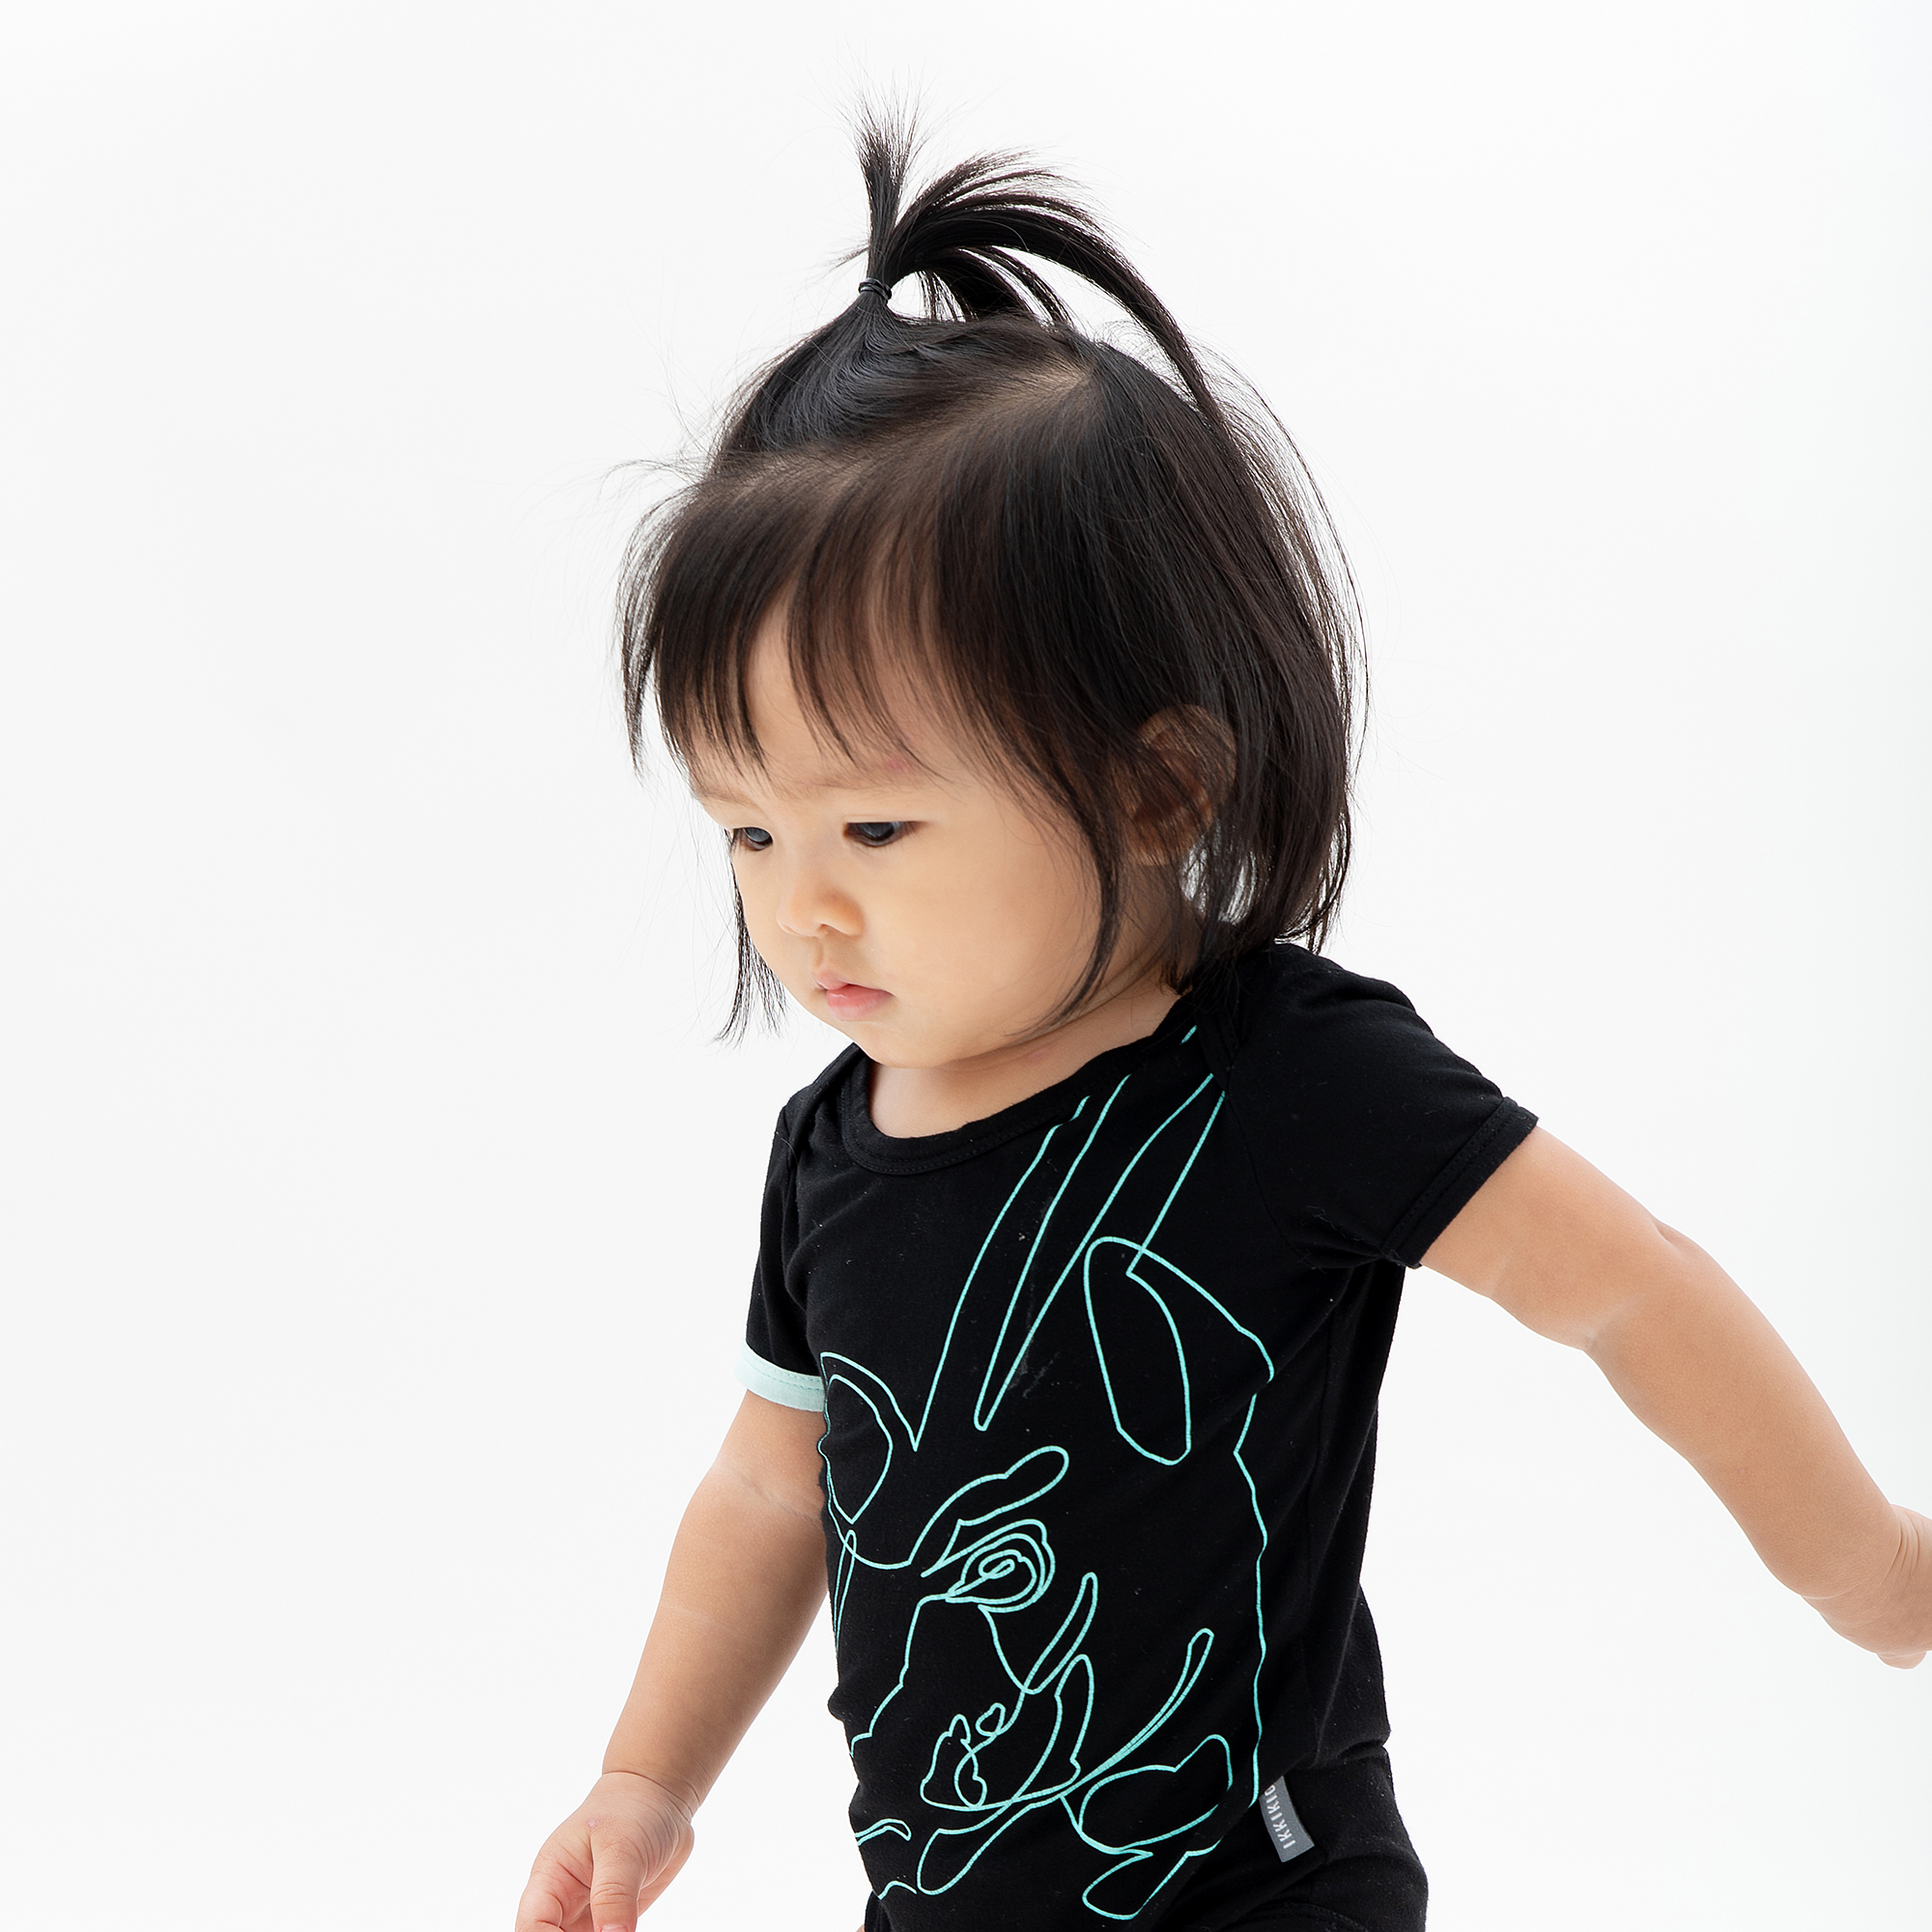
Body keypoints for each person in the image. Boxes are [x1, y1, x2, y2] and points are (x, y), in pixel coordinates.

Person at [514, 120, 1929, 1932]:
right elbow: (769, 1486)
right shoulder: (833, 1147)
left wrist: (1873, 1568)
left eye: (873, 828)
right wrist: (646, 1779)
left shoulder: (1291, 1076)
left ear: (1157, 788)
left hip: (1262, 1890)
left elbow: (1627, 1288)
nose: (804, 907)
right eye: (746, 832)